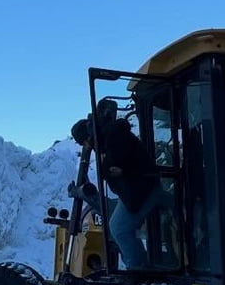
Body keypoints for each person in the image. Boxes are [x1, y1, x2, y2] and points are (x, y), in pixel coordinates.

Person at [71, 99, 173, 270]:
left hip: (143, 189)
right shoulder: (111, 137)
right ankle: (139, 265)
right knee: (116, 224)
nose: (87, 147)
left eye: (84, 143)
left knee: (118, 228)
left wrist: (116, 170)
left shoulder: (113, 138)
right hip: (137, 189)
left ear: (88, 137)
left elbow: (119, 166)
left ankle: (138, 271)